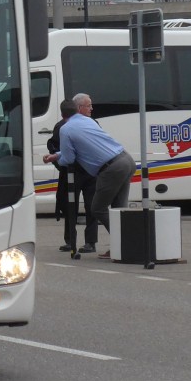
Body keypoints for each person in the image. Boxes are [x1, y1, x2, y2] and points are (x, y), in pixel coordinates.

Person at [43, 92, 135, 259]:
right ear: (77, 110)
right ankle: (123, 247)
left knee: (98, 208)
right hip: (126, 160)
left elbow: (70, 158)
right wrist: (56, 155)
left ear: (62, 115)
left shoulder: (65, 129)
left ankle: (128, 242)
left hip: (111, 168)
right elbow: (81, 147)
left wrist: (57, 158)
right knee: (119, 209)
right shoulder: (88, 121)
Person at [47, 99, 97, 252]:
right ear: (78, 108)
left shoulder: (92, 123)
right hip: (70, 173)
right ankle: (70, 240)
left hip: (89, 172)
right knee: (69, 206)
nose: (91, 109)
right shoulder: (62, 127)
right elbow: (53, 147)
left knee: (92, 207)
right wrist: (62, 166)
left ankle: (90, 242)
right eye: (88, 106)